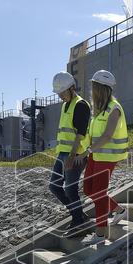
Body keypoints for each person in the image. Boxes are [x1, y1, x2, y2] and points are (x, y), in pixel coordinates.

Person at [84, 70, 129, 241]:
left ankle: (101, 233)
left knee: (99, 193)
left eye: (94, 86)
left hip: (107, 158)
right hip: (95, 155)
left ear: (102, 88)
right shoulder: (98, 109)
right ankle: (118, 210)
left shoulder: (114, 108)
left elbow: (108, 135)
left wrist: (89, 150)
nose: (91, 90)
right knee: (89, 190)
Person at [47, 72, 92, 233]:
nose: (60, 96)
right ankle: (79, 215)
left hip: (77, 154)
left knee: (70, 190)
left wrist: (72, 157)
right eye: (58, 92)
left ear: (72, 88)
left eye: (62, 92)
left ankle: (78, 221)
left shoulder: (81, 105)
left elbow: (80, 134)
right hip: (63, 153)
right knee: (54, 186)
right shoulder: (65, 105)